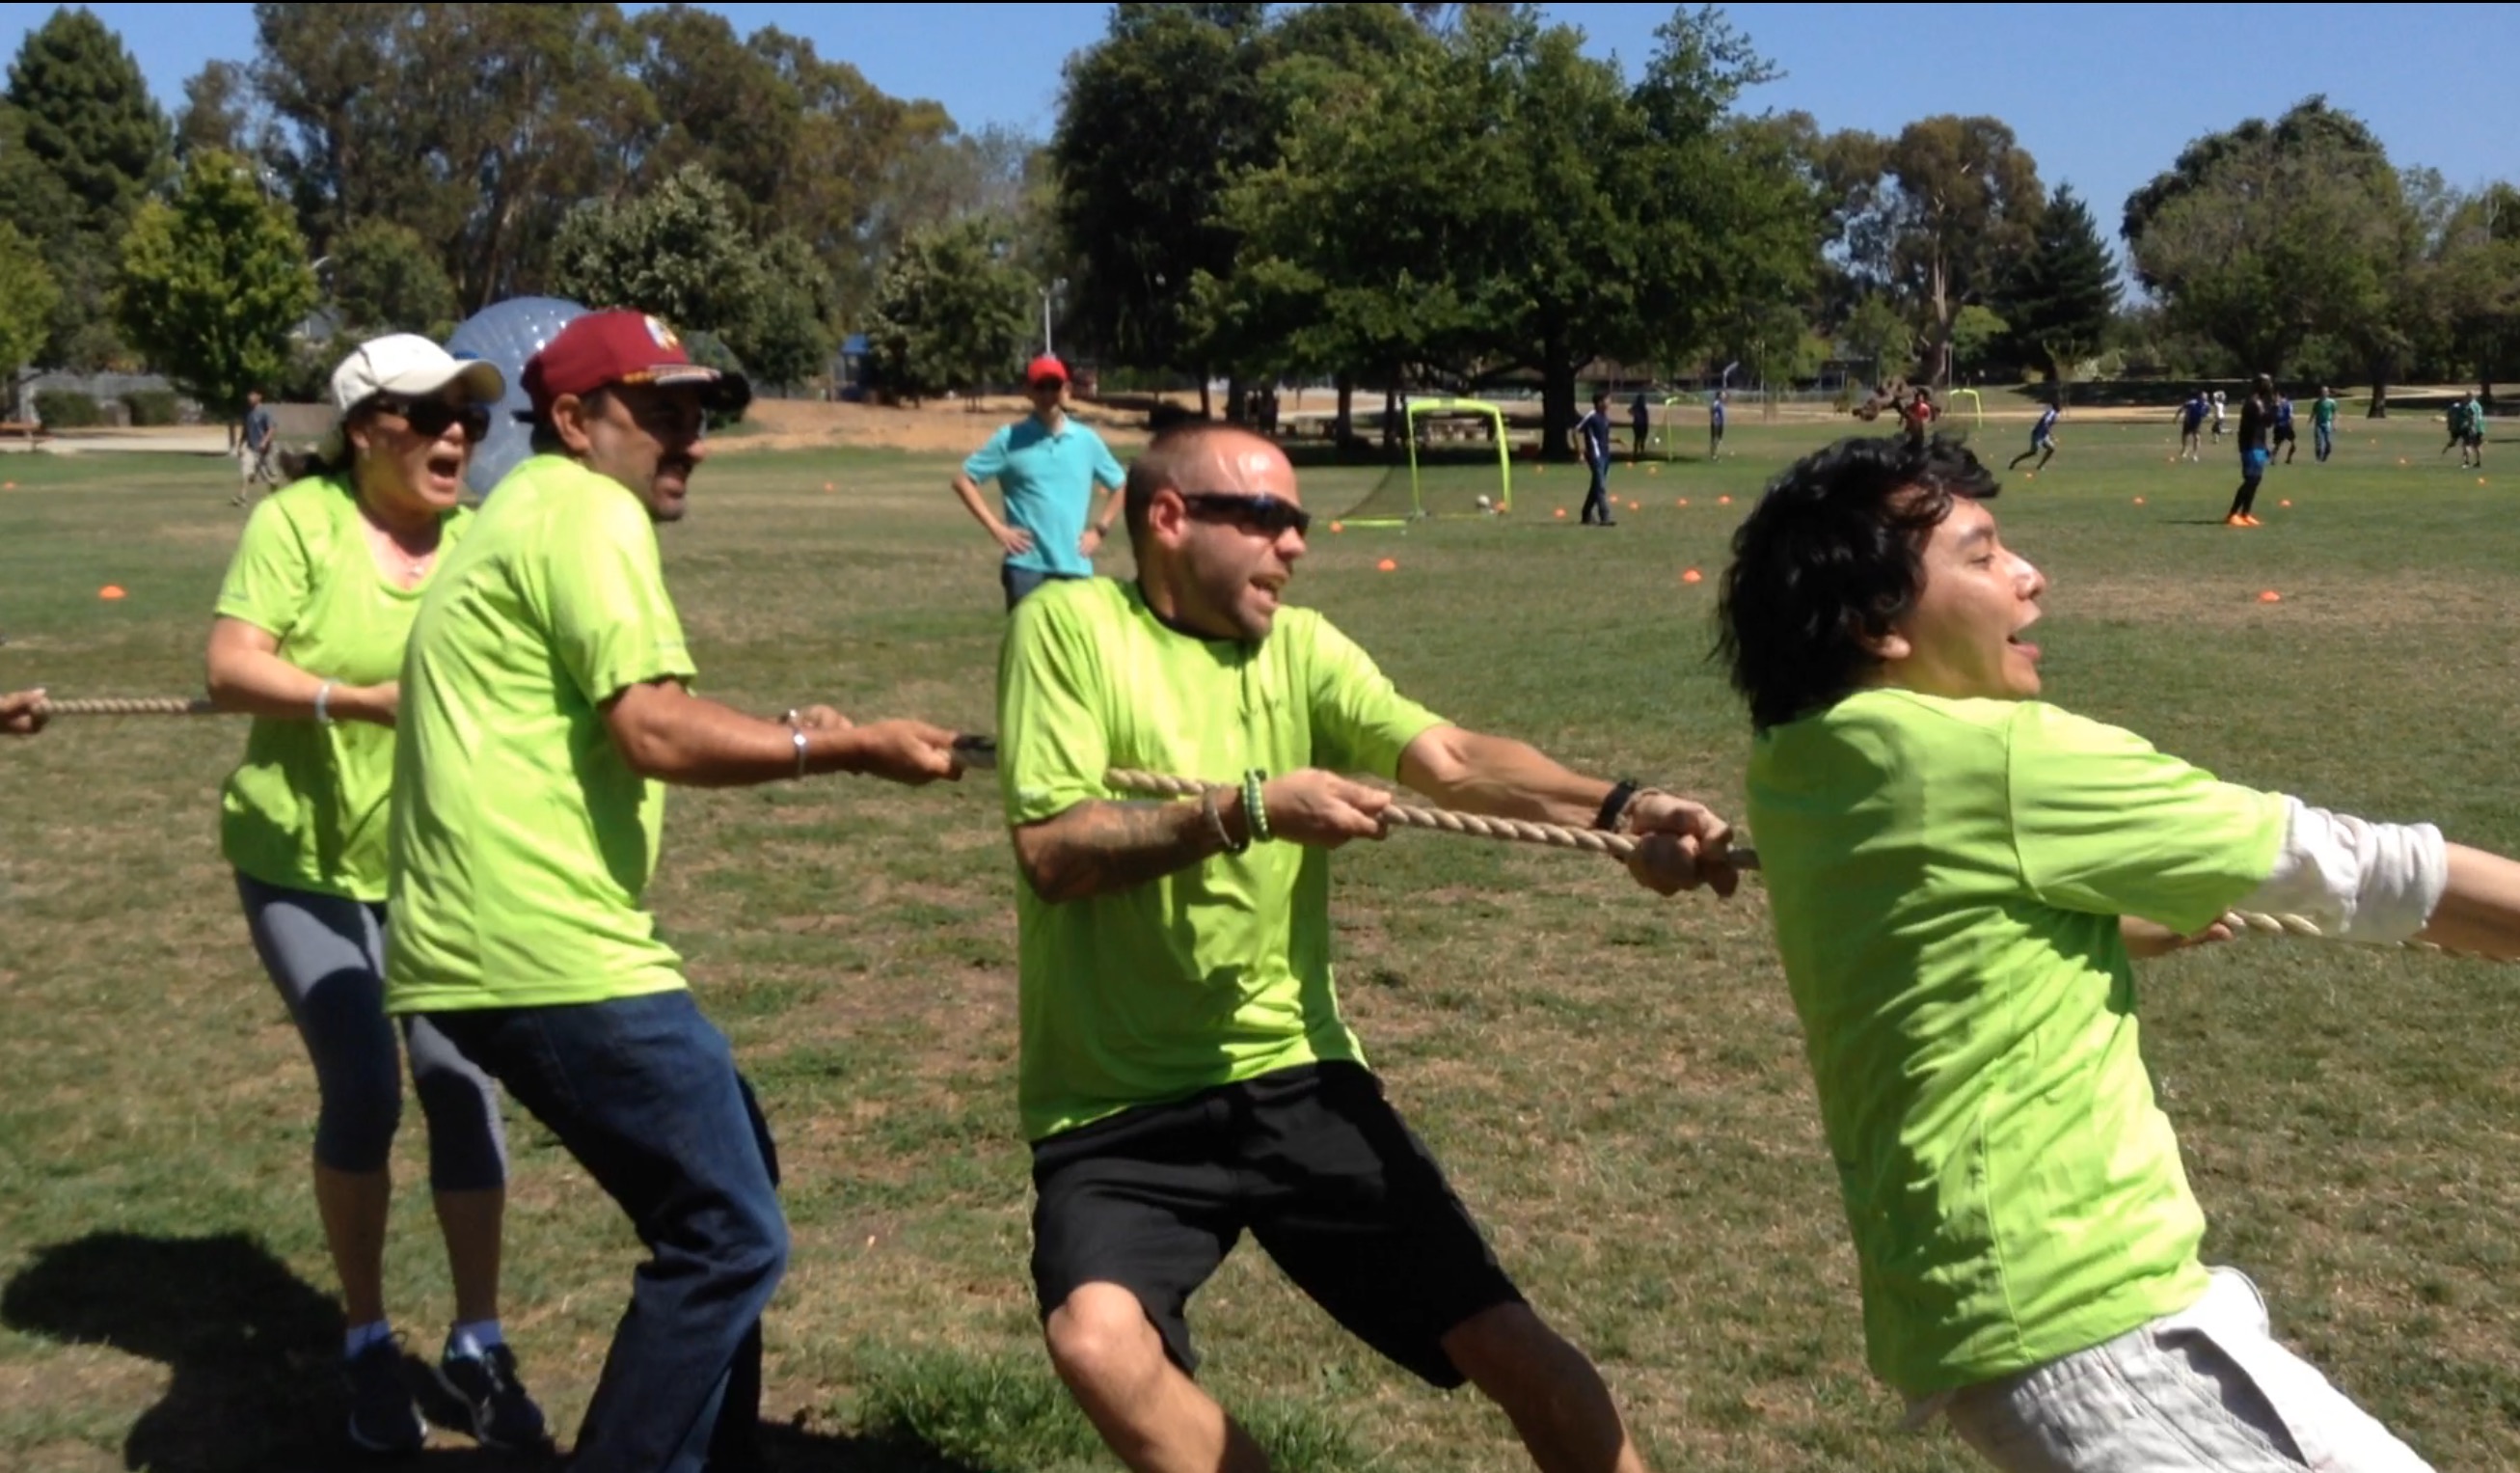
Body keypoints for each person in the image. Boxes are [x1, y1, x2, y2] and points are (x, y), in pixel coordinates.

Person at [1715, 431, 2520, 1473]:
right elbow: (2361, 869)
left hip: (1991, 1320)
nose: (2030, 576)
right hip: (2096, 1335)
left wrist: (2107, 922)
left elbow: (1932, 925)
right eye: (1984, 554)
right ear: (1880, 625)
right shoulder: (2003, 761)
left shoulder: (1800, 767)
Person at [995, 423, 1738, 1473]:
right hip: (1115, 1107)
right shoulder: (1067, 630)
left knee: (1508, 1344)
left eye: (1300, 522)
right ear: (1167, 519)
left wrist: (1624, 806)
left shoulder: (1302, 650)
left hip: (1294, 1074)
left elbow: (1453, 759)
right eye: (1266, 518)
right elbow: (1056, 853)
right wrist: (1249, 808)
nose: (1295, 544)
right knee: (1096, 1341)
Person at [386, 309, 964, 1473]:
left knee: (732, 1175)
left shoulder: (521, 520)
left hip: (495, 942)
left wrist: (779, 729)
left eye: (697, 417)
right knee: (727, 1236)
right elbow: (650, 727)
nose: (687, 440)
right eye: (659, 415)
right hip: (542, 948)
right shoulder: (588, 512)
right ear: (571, 421)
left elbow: (596, 718)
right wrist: (839, 754)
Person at [202, 334, 537, 1454]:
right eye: (429, 412)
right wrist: (357, 701)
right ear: (363, 430)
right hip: (300, 857)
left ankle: (479, 1342)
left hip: (439, 867)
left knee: (460, 1079)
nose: (457, 433)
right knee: (363, 1086)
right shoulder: (298, 525)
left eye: (470, 415)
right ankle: (364, 1340)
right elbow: (232, 663)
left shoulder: (484, 539)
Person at [953, 354, 1127, 610]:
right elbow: (963, 481)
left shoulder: (1086, 440)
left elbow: (1121, 485)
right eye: (1040, 387)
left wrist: (1099, 530)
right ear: (1028, 392)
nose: (1048, 394)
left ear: (1066, 389)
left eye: (1054, 386)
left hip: (1075, 567)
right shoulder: (1009, 438)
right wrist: (998, 529)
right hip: (1026, 569)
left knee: (1074, 648)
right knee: (1027, 647)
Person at [2225, 374, 2275, 527]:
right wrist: (2276, 407)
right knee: (2250, 479)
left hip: (2258, 445)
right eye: (2268, 383)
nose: (2271, 386)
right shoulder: (2253, 402)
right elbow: (2266, 421)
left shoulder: (2259, 402)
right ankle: (2233, 513)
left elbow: (2264, 425)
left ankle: (2245, 513)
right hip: (2250, 445)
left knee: (2256, 480)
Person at [234, 388, 282, 507]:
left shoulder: (265, 412)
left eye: (253, 395)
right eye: (249, 395)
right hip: (251, 448)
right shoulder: (248, 413)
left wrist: (265, 442)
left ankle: (276, 499)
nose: (250, 397)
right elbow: (245, 431)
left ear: (259, 397)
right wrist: (240, 445)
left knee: (272, 478)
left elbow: (272, 429)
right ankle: (242, 498)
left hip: (266, 451)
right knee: (246, 472)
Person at [1575, 389, 1616, 525]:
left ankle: (1586, 514)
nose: (1610, 402)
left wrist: (1617, 440)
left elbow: (1603, 437)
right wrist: (1580, 452)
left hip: (1605, 455)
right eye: (1607, 400)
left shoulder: (1605, 417)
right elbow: (1576, 431)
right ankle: (1605, 517)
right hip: (1595, 455)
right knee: (1601, 486)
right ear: (1599, 403)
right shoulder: (1591, 416)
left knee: (1596, 486)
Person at [2006, 396, 2059, 473]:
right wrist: (2051, 433)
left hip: (2043, 435)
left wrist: (2047, 433)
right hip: (2037, 434)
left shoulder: (2054, 413)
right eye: (2060, 406)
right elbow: (2045, 422)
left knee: (2051, 449)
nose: (2061, 408)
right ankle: (2014, 461)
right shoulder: (2052, 413)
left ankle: (2040, 466)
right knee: (2033, 452)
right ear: (2056, 406)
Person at [2178, 390, 2208, 462]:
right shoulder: (2192, 403)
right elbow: (2182, 408)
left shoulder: (2206, 405)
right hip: (2188, 422)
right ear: (2200, 397)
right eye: (2203, 397)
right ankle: (2184, 449)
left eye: (2206, 397)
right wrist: (2176, 417)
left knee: (2197, 438)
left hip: (2196, 423)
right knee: (2185, 437)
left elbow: (2205, 413)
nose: (2205, 398)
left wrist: (2203, 415)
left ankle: (2195, 455)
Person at [2313, 385, 2340, 462]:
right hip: (2318, 424)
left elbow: (2335, 413)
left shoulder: (2332, 402)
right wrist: (2310, 421)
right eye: (2322, 391)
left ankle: (2325, 456)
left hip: (2328, 424)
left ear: (2328, 393)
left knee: (2328, 442)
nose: (2323, 393)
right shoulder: (2317, 402)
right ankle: (2318, 458)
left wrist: (2335, 424)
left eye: (2325, 391)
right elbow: (2314, 412)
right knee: (2318, 442)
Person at [2462, 389, 2486, 469]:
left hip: (2473, 426)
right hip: (2481, 426)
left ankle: (2466, 463)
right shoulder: (2478, 405)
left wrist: (2471, 426)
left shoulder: (2470, 405)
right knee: (2477, 445)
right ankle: (2478, 462)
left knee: (2466, 444)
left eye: (2466, 395)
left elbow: (2472, 416)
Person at [2272, 390, 2298, 463]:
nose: (2275, 398)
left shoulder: (2278, 405)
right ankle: (2287, 459)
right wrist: (2292, 425)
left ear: (2280, 396)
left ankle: (2274, 459)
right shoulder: (2287, 404)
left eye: (2276, 396)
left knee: (2278, 445)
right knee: (2292, 444)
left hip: (2280, 427)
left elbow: (2273, 416)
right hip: (2285, 426)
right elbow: (2291, 416)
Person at [1628, 390, 1652, 462]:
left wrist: (1634, 414)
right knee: (1641, 439)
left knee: (1637, 439)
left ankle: (1636, 452)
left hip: (1637, 424)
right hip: (1642, 424)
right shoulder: (1642, 406)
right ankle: (1640, 452)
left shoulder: (1636, 405)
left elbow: (1629, 411)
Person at [1708, 390, 1727, 460]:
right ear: (1719, 396)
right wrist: (1714, 419)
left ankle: (1716, 454)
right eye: (1723, 395)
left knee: (1719, 440)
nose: (1724, 396)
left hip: (1720, 423)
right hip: (1716, 423)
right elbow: (1712, 410)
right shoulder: (1716, 403)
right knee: (1714, 439)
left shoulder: (1721, 403)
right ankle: (1713, 454)